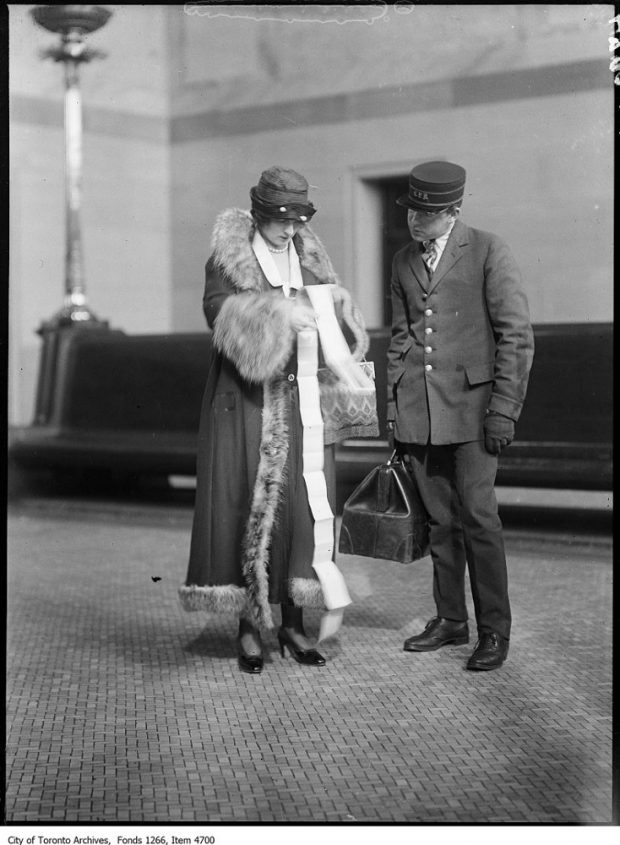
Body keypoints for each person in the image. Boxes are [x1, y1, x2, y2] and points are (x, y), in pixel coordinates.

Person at [179, 166, 372, 674]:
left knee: (303, 508)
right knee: (246, 503)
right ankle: (248, 626)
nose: (290, 231)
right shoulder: (229, 261)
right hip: (246, 401)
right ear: (259, 214)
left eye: (298, 220)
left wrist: (339, 306)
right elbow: (219, 314)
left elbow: (328, 311)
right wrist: (280, 315)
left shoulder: (309, 255)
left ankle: (293, 622)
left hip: (305, 401)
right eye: (280, 221)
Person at [387, 160, 534, 671]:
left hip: (475, 414)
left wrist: (503, 411)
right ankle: (451, 619)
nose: (414, 221)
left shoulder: (489, 249)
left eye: (426, 213)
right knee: (440, 522)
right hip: (421, 416)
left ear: (453, 211)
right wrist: (394, 413)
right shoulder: (405, 260)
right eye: (412, 211)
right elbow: (402, 341)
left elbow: (516, 336)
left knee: (479, 519)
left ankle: (494, 630)